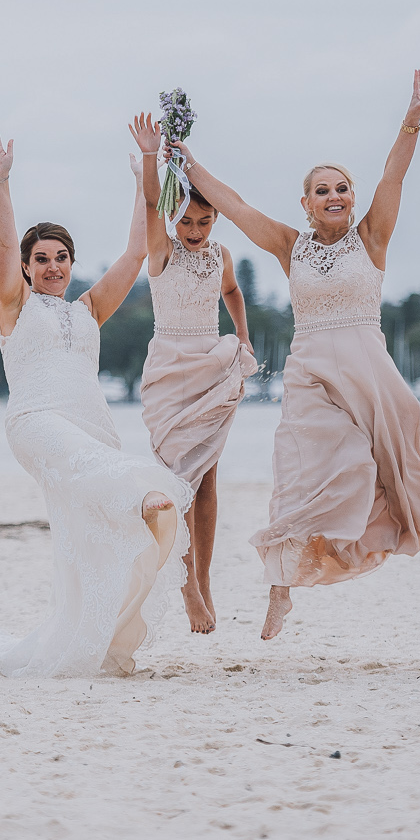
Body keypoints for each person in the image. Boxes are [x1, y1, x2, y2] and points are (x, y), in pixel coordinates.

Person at [178, 72, 420, 642]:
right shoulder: (290, 245)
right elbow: (232, 204)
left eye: (342, 189)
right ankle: (281, 589)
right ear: (306, 205)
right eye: (323, 191)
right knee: (300, 471)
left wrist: (412, 119)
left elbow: (394, 175)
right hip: (310, 369)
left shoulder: (372, 237)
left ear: (351, 199)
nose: (335, 197)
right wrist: (183, 158)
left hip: (367, 362)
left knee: (403, 454)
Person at [0, 118, 191, 678]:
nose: (53, 267)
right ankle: (143, 499)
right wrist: (1, 182)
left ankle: (89, 639)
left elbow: (138, 250)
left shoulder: (89, 309)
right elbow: (2, 241)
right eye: (42, 258)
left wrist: (146, 173)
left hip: (91, 424)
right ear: (26, 267)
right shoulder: (14, 307)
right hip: (37, 422)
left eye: (61, 257)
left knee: (88, 543)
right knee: (124, 485)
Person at [136, 154, 255, 634]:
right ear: (172, 216)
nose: (196, 230)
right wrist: (152, 155)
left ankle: (202, 578)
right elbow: (149, 201)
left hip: (210, 367)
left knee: (207, 479)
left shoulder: (220, 255)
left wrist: (243, 338)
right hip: (170, 370)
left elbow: (233, 293)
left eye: (205, 221)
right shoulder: (161, 252)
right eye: (186, 220)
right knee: (176, 480)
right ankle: (184, 581)